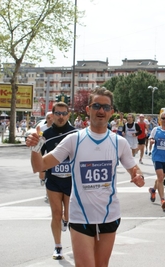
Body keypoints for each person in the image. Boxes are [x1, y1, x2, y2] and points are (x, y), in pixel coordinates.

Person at [26, 87, 145, 266]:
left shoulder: (119, 142)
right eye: (96, 106)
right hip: (80, 216)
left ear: (111, 112)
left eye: (106, 107)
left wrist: (138, 175)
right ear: (88, 110)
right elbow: (39, 166)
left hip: (109, 215)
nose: (101, 111)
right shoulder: (74, 139)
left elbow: (133, 168)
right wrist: (35, 147)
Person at [39, 103, 77, 260]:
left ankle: (65, 221)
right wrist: (41, 174)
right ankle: (58, 247)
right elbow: (39, 157)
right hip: (53, 179)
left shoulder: (76, 133)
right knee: (55, 213)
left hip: (70, 181)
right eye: (58, 113)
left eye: (64, 113)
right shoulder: (45, 134)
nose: (61, 116)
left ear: (68, 115)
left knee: (69, 215)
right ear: (52, 115)